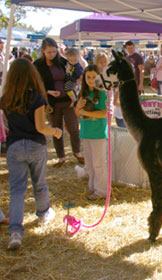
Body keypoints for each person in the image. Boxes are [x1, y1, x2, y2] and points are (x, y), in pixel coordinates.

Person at [0, 58, 62, 250]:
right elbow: (40, 127)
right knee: (39, 183)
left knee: (17, 190)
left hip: (15, 147)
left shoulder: (6, 99)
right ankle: (43, 214)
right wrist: (56, 131)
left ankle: (15, 232)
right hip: (35, 145)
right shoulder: (36, 98)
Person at [34, 38, 84, 167]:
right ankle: (61, 157)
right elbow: (35, 84)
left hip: (68, 101)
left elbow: (74, 73)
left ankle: (77, 152)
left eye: (54, 52)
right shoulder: (37, 65)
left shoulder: (63, 62)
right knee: (56, 130)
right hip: (51, 104)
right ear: (43, 51)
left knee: (73, 128)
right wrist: (48, 92)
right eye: (49, 52)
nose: (52, 55)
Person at [75, 64, 108, 200]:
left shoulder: (101, 93)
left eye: (94, 77)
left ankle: (101, 190)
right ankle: (93, 187)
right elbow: (77, 112)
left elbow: (104, 113)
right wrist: (78, 109)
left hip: (98, 133)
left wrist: (85, 111)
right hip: (86, 132)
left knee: (99, 163)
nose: (91, 80)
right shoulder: (82, 93)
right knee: (89, 163)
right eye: (88, 77)